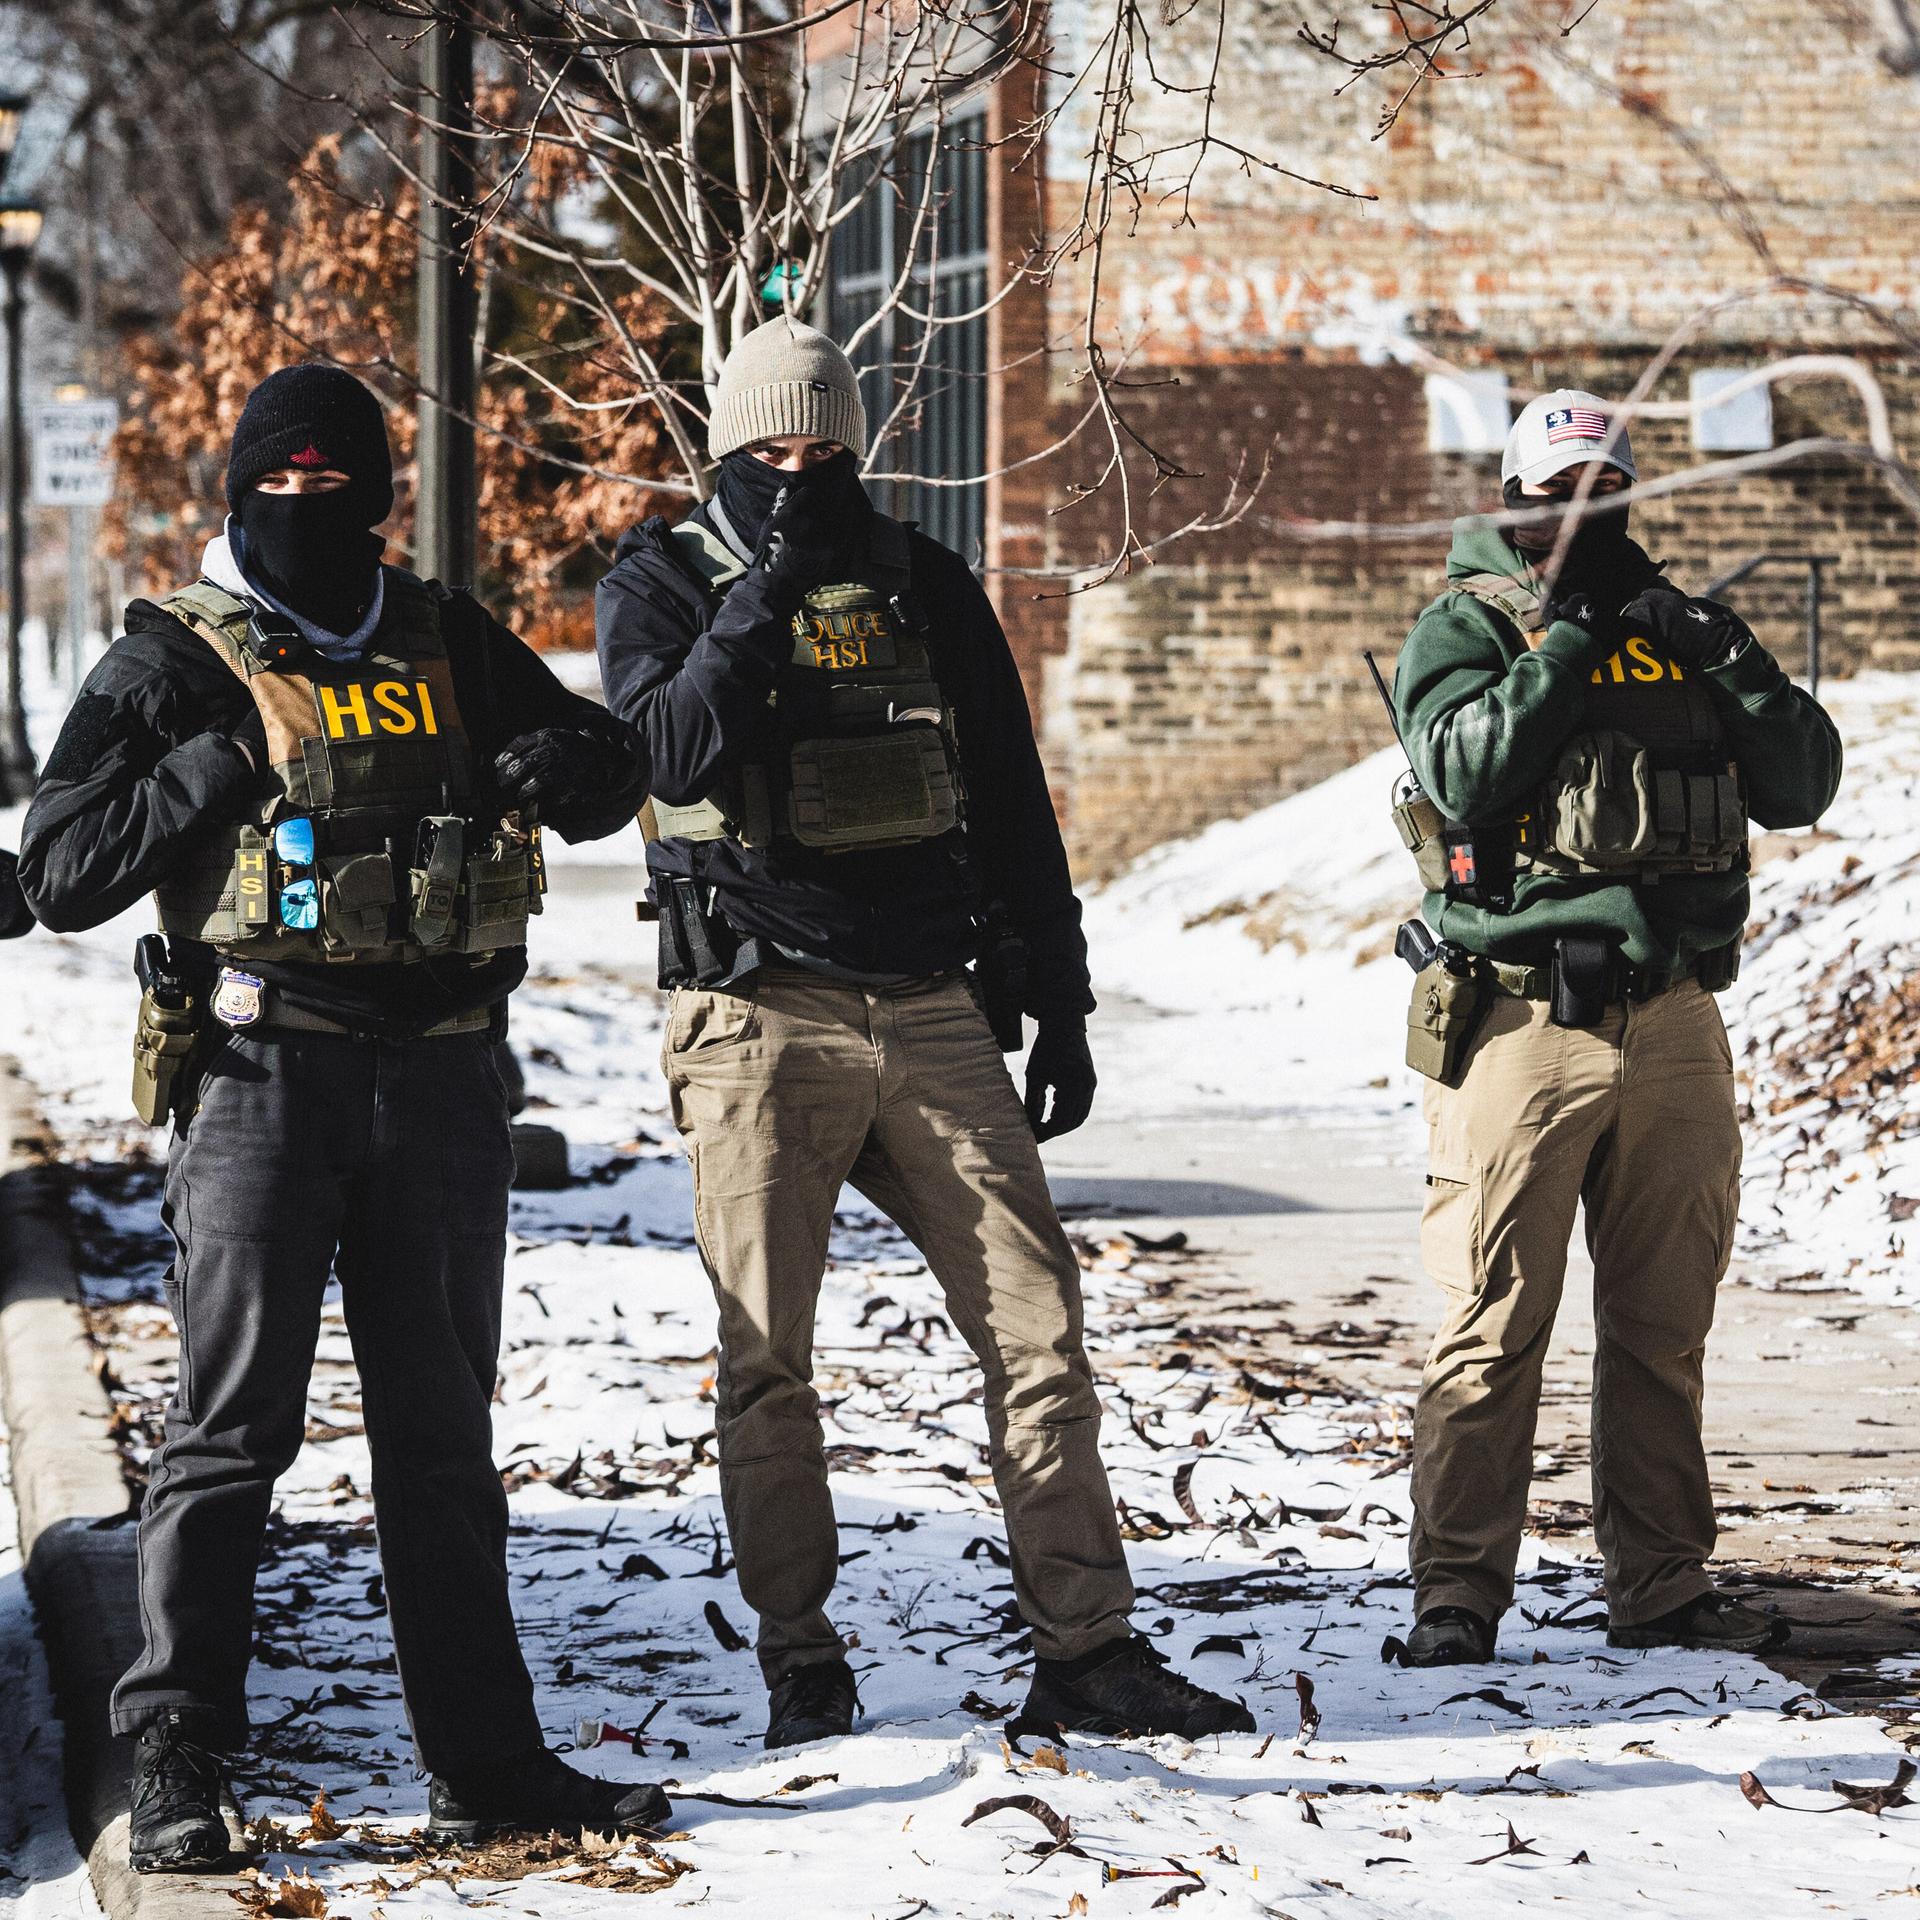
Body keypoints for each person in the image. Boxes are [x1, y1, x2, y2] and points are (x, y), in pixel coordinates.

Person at [19, 365, 669, 1869]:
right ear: (238, 493)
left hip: (442, 1079)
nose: (312, 510)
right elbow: (61, 870)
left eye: (339, 485)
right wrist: (232, 749)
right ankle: (177, 1755)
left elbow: (603, 769)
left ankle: (487, 1761)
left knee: (441, 1442)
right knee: (229, 1435)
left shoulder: (440, 633)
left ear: (380, 491)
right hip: (263, 1077)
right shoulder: (178, 656)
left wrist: (570, 763)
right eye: (282, 486)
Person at [596, 319, 1255, 1749]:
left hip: (933, 1003)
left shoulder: (924, 582)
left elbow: (1010, 799)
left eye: (827, 451)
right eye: (773, 452)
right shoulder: (661, 583)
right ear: (727, 450)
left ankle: (1086, 1645)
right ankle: (801, 1654)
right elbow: (669, 754)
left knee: (1039, 1326)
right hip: (757, 1010)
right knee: (768, 1354)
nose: (803, 473)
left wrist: (1061, 998)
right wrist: (769, 587)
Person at [1388, 389, 1843, 1667]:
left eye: (1606, 487)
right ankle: (1459, 1593)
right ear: (1516, 500)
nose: (1582, 512)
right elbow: (1464, 772)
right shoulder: (1467, 626)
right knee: (1494, 1318)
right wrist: (1569, 645)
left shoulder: (1680, 628)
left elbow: (1801, 782)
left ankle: (1660, 1583)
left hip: (1677, 1015)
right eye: (1558, 491)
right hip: (1524, 1021)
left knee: (1661, 1321)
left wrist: (1731, 654)